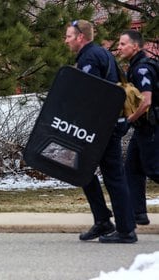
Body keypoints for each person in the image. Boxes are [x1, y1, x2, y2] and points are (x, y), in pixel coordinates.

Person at [64, 20, 137, 243]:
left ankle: (125, 230)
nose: (65, 41)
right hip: (106, 124)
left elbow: (91, 94)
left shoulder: (89, 58)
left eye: (68, 36)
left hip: (101, 127)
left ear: (80, 37)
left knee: (111, 176)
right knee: (83, 171)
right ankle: (104, 221)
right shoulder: (102, 53)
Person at [117, 29, 159, 226]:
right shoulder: (134, 66)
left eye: (123, 44)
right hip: (144, 126)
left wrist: (129, 120)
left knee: (154, 169)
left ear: (135, 46)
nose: (119, 47)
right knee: (132, 168)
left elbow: (147, 101)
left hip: (152, 126)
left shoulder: (142, 69)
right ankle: (138, 213)